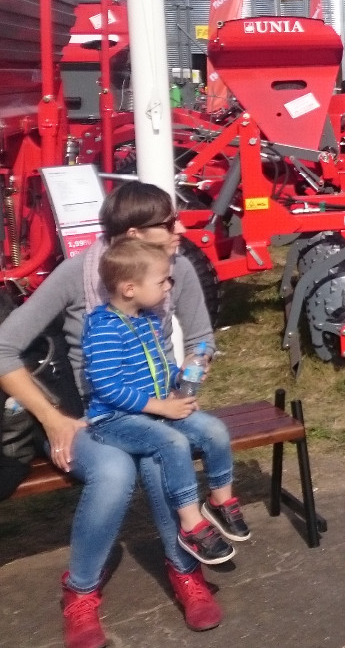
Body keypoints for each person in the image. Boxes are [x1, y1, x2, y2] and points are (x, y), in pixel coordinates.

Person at [0, 183, 222, 645]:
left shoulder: (174, 267)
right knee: (115, 472)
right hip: (85, 415)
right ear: (135, 233)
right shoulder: (76, 274)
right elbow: (4, 348)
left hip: (151, 405)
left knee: (161, 453)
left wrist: (188, 381)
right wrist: (51, 418)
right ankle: (80, 591)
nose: (181, 229)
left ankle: (184, 569)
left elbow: (202, 337)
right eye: (169, 223)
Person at [82, 239, 243, 568]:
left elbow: (158, 365)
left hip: (155, 409)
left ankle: (219, 500)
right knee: (172, 442)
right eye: (161, 281)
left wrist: (179, 378)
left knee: (214, 429)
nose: (169, 286)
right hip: (114, 419)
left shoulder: (148, 320)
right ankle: (190, 524)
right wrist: (161, 407)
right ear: (130, 288)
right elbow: (108, 387)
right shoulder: (104, 330)